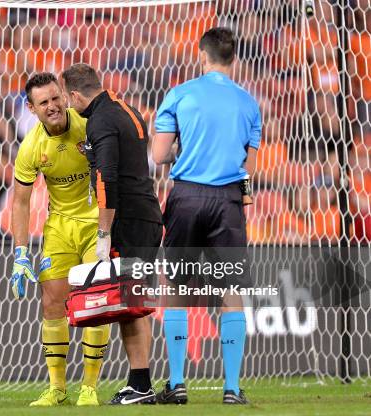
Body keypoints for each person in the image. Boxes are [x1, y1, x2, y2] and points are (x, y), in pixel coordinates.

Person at [152, 27, 261, 405]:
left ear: (202, 55)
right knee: (230, 291)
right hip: (228, 200)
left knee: (178, 288)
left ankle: (178, 383)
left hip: (186, 196)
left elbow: (159, 154)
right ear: (234, 58)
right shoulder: (249, 104)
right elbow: (249, 168)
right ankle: (231, 388)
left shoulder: (180, 94)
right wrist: (239, 204)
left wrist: (183, 146)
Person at [61, 64, 163, 405]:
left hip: (129, 219)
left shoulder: (100, 121)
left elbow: (107, 179)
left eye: (67, 98)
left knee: (129, 305)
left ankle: (140, 385)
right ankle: (141, 382)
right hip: (146, 214)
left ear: (75, 95)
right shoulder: (128, 110)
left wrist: (103, 233)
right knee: (135, 303)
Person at [11, 72, 110, 407]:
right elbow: (21, 202)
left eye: (56, 98)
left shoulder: (88, 126)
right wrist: (21, 254)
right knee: (51, 300)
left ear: (66, 96)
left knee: (96, 301)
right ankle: (57, 388)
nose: (52, 106)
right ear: (32, 108)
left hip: (96, 223)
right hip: (59, 227)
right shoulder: (31, 146)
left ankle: (90, 387)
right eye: (43, 102)